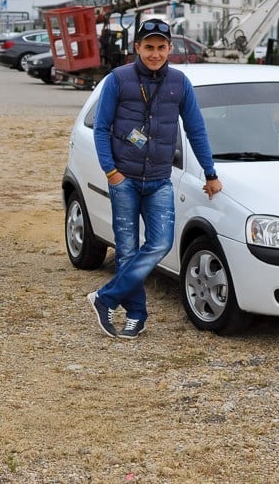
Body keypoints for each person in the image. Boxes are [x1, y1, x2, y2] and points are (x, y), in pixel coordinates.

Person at [87, 18, 222, 339]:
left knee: (160, 243)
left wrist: (210, 172)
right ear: (137, 48)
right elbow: (102, 128)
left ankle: (105, 298)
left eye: (161, 47)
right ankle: (136, 314)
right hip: (124, 179)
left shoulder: (179, 82)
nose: (155, 53)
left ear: (169, 49)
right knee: (126, 249)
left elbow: (196, 129)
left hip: (160, 180)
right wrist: (112, 172)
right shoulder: (118, 80)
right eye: (149, 47)